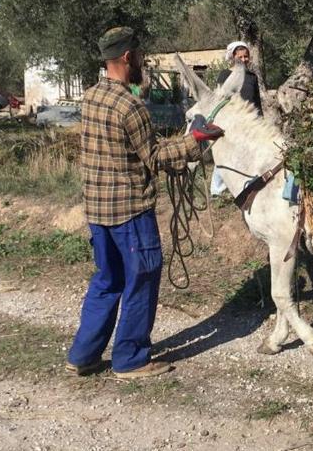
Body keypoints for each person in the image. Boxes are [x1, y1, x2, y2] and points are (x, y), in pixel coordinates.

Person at [66, 27, 223, 379]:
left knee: (108, 280)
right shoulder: (130, 105)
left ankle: (83, 355)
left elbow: (125, 151)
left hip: (98, 213)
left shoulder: (91, 97)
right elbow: (153, 157)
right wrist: (197, 140)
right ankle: (131, 359)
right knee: (141, 279)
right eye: (139, 56)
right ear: (127, 58)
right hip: (131, 213)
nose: (142, 62)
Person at [210, 41, 263, 196]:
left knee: (248, 152)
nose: (244, 59)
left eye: (246, 56)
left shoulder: (252, 77)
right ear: (233, 57)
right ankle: (217, 190)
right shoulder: (224, 75)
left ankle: (245, 185)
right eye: (240, 56)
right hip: (231, 120)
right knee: (225, 152)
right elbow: (219, 99)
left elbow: (256, 101)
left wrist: (259, 120)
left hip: (248, 122)